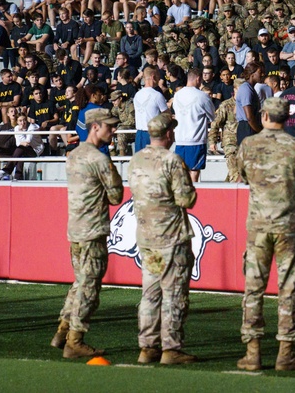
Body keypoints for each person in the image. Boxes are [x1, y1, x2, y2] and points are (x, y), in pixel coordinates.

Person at [231, 97, 295, 372]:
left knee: (253, 289)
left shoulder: (249, 144)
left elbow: (242, 174)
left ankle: (253, 351)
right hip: (289, 227)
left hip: (259, 226)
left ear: (265, 116)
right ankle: (286, 352)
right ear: (286, 118)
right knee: (290, 289)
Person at [129, 113, 198, 365]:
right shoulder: (172, 161)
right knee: (174, 294)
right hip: (171, 238)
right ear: (169, 133)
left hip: (147, 239)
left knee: (150, 294)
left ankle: (147, 347)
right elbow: (186, 199)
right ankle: (171, 348)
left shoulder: (136, 160)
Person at [53, 108, 123, 359]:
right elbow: (116, 195)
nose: (113, 131)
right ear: (96, 127)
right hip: (93, 230)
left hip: (76, 229)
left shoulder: (74, 155)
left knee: (79, 283)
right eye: (109, 126)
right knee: (89, 287)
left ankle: (62, 331)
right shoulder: (99, 159)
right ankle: (75, 340)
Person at [172, 67, 215, 182]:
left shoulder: (177, 95)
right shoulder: (203, 96)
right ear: (198, 78)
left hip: (180, 139)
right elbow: (212, 116)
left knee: (181, 174)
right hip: (196, 139)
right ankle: (193, 198)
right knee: (194, 173)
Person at [133, 67, 169, 153]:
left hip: (139, 134)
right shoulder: (156, 95)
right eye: (158, 76)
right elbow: (167, 114)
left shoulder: (137, 95)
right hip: (152, 133)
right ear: (153, 77)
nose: (159, 79)